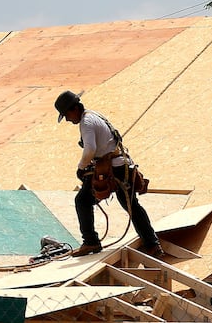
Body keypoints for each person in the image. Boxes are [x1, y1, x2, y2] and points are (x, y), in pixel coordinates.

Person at [54, 90, 165, 258]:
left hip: (114, 169)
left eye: (67, 115)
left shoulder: (86, 122)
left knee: (82, 201)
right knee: (131, 205)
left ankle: (91, 241)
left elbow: (90, 148)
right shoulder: (94, 115)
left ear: (74, 108)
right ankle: (153, 245)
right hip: (122, 166)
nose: (68, 120)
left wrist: (81, 167)